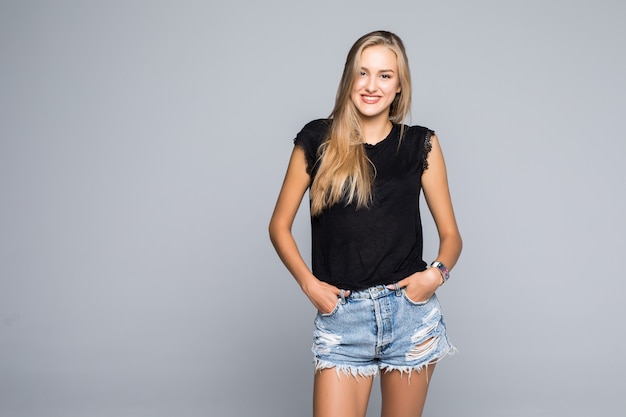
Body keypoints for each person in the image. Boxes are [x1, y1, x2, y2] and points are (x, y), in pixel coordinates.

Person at [268, 30, 462, 417]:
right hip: (344, 317)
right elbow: (278, 225)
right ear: (348, 80)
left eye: (385, 75)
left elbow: (452, 236)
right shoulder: (316, 140)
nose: (372, 85)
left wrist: (435, 274)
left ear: (399, 86)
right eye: (363, 73)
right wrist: (309, 284)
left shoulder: (420, 144)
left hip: (410, 312)